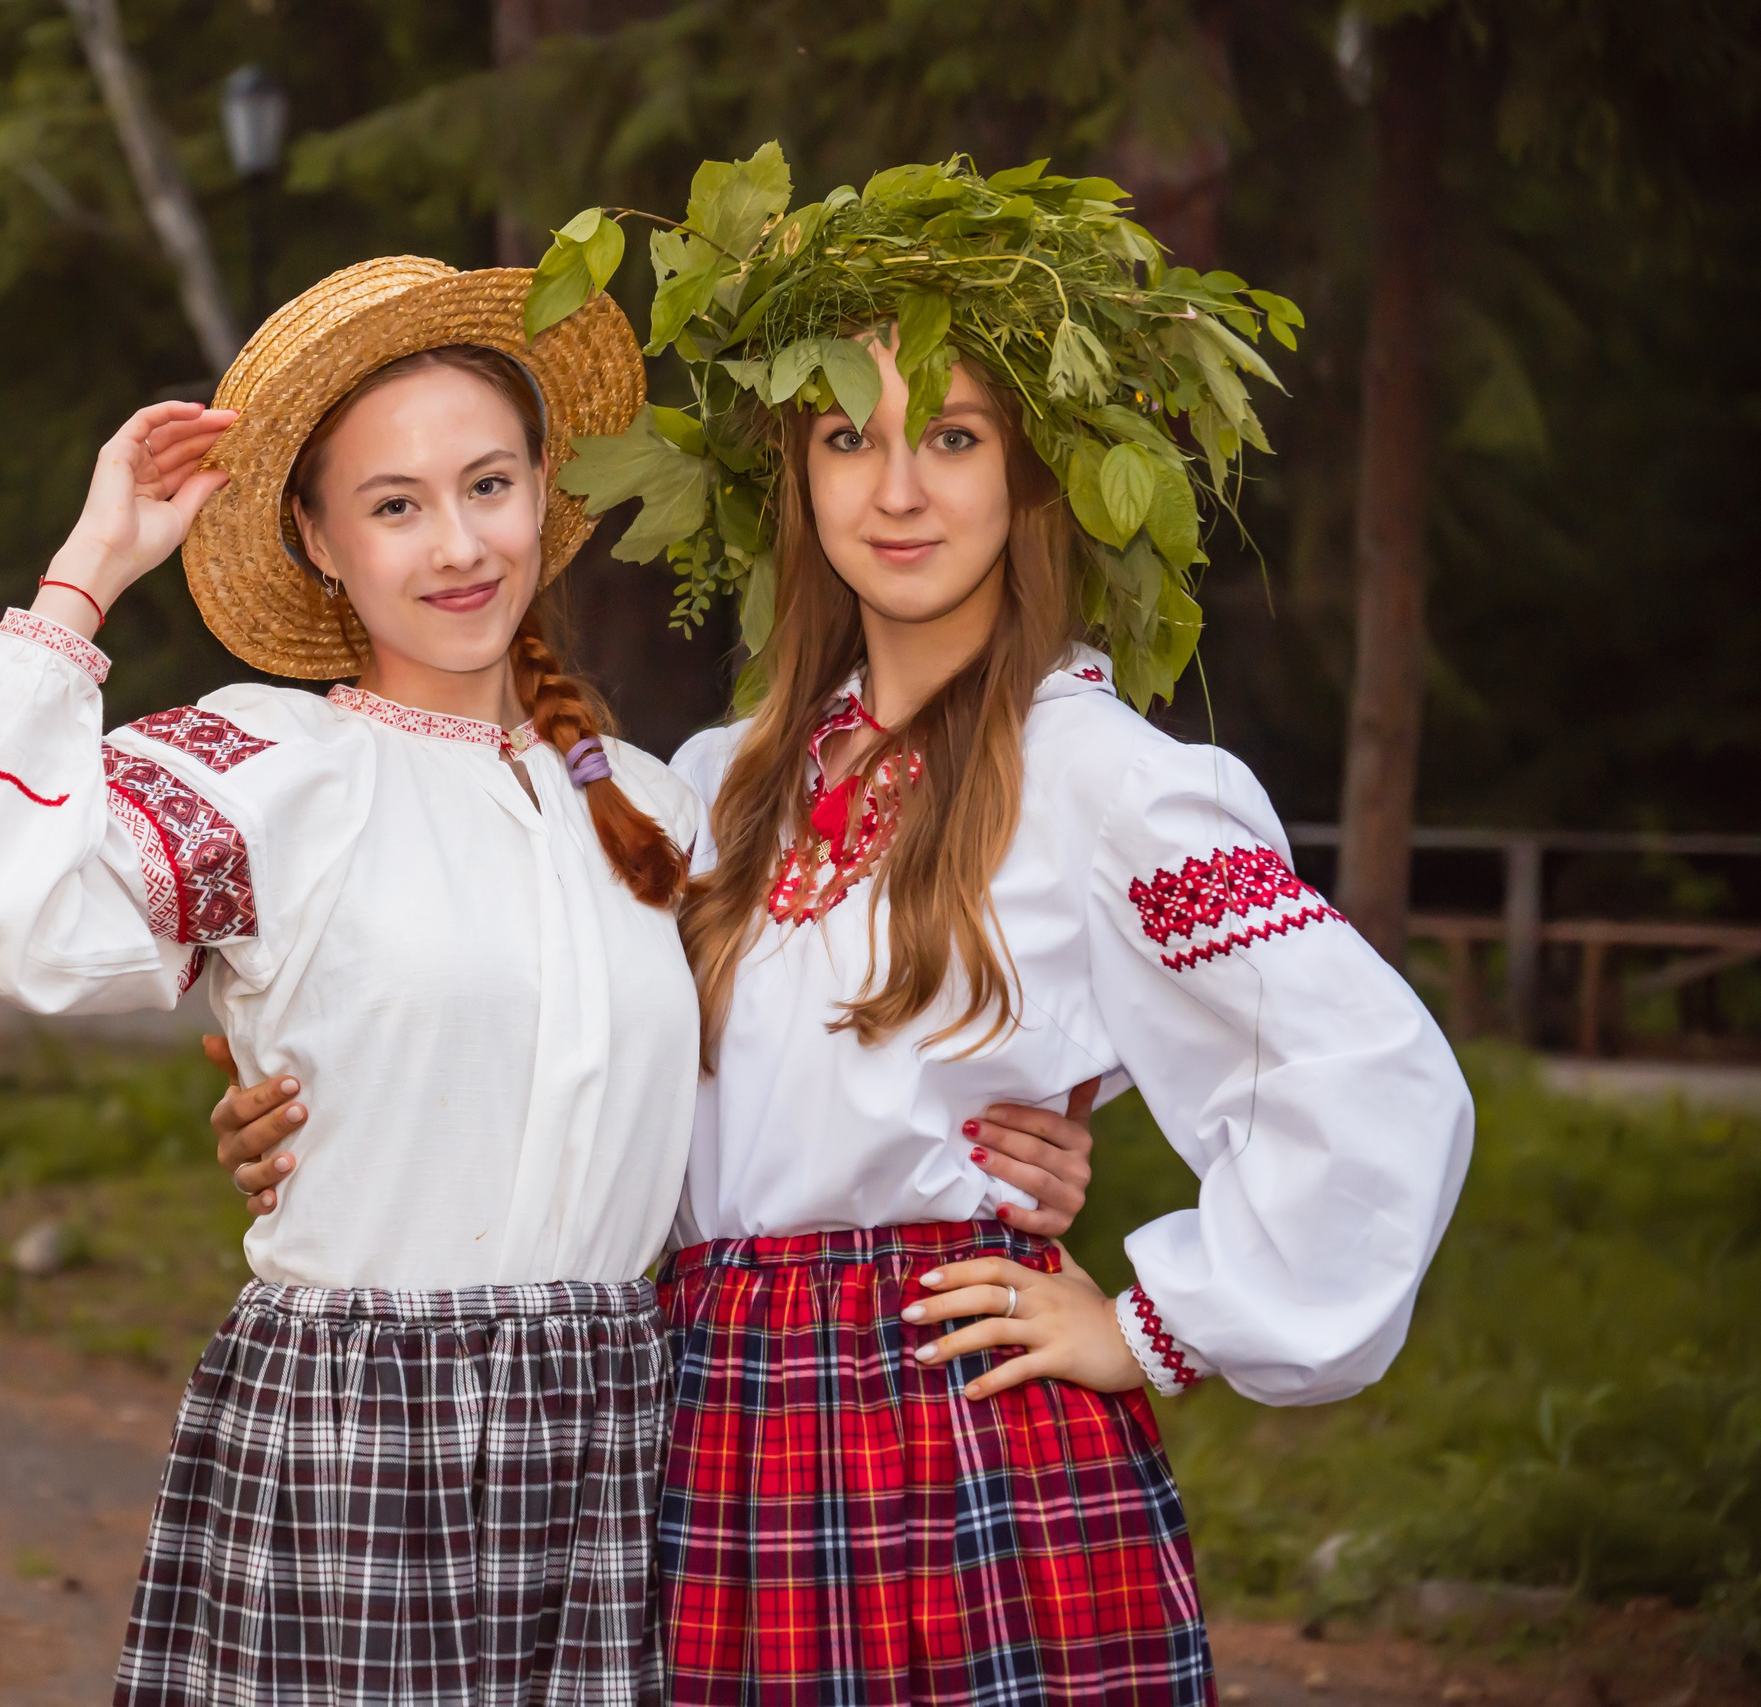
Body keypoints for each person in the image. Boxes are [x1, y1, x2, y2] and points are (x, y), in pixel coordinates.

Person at [219, 156, 1476, 1706]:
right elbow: (524, 1003)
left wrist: (1152, 1324)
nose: (897, 490)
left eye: (953, 438)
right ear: (794, 477)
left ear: (1032, 475)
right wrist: (304, 1103)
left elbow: (1366, 1077)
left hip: (950, 1434)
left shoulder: (1105, 783)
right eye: (847, 438)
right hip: (695, 1422)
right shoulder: (719, 783)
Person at [0, 257, 703, 1706]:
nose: (457, 545)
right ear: (316, 537)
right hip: (365, 1429)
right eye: (395, 504)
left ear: (548, 490)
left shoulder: (656, 810)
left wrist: (1037, 1135)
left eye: (487, 485)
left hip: (615, 1425)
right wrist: (88, 571)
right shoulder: (274, 772)